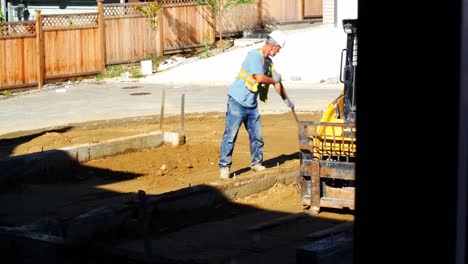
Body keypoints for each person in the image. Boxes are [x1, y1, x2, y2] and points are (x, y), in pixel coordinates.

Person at [218, 30, 295, 180]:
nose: (278, 52)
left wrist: (287, 101)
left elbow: (277, 83)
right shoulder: (254, 56)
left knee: (257, 136)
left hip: (251, 104)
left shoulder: (268, 63)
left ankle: (256, 163)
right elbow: (258, 77)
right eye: (279, 49)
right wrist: (274, 80)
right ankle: (224, 167)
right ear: (273, 46)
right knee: (230, 135)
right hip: (237, 101)